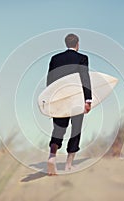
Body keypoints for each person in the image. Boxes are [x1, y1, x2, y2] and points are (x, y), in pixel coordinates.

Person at [46, 33, 92, 175]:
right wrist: (88, 100)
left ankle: (52, 157)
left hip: (59, 98)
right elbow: (85, 78)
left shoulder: (55, 59)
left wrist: (50, 100)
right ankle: (68, 165)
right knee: (76, 130)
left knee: (58, 129)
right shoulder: (82, 58)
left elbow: (50, 81)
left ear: (66, 43)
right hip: (76, 99)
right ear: (77, 44)